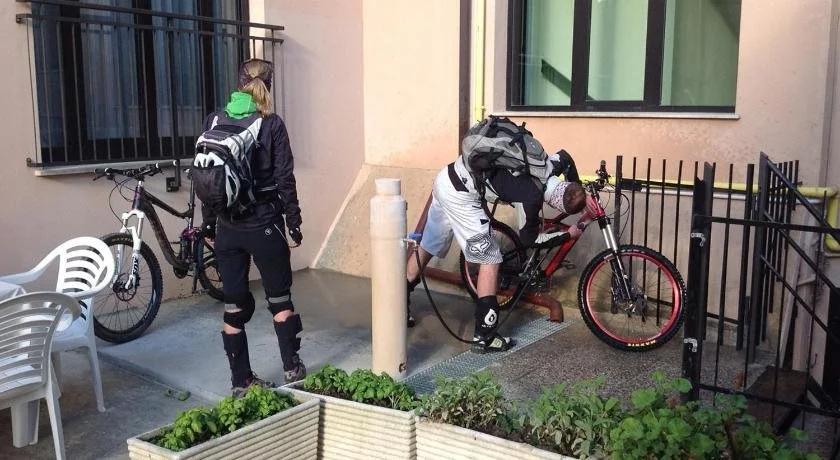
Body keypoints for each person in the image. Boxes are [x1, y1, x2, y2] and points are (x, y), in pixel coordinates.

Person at [405, 117, 587, 353]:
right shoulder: (532, 196)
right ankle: (485, 335)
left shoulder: (551, 165)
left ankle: (398, 302)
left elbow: (566, 157)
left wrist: (577, 185)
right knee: (490, 259)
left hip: (447, 177)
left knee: (430, 244)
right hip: (461, 196)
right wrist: (568, 235)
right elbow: (529, 240)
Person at [201, 58, 305, 396]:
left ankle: (241, 382)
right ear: (268, 86)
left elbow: (208, 178)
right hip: (264, 225)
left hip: (227, 227)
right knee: (280, 300)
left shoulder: (215, 119)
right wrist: (294, 222)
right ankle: (292, 370)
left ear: (238, 83)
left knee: (233, 307)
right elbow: (284, 179)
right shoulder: (271, 124)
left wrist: (208, 225)